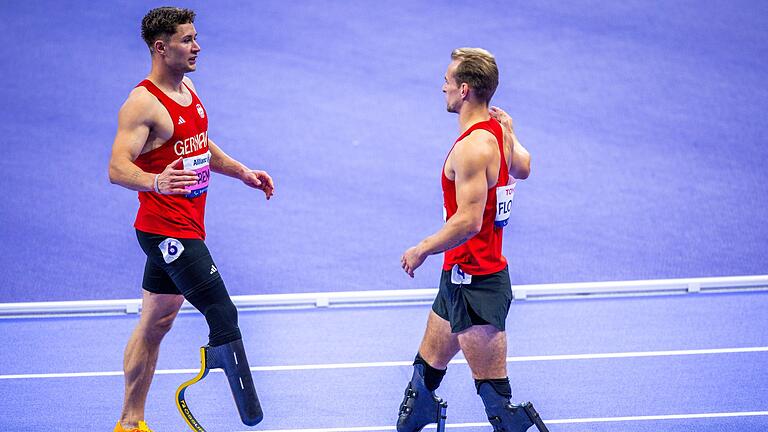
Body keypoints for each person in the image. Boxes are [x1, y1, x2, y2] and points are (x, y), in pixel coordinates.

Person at [108, 7, 274, 432]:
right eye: (186, 40)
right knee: (223, 312)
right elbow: (117, 168)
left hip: (186, 224)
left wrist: (240, 171)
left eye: (196, 37)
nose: (197, 46)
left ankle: (129, 422)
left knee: (156, 322)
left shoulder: (188, 89)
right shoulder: (142, 103)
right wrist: (155, 181)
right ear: (161, 48)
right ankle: (248, 411)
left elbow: (198, 143)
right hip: (167, 231)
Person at [398, 48, 547, 432]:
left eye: (448, 80)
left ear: (464, 90)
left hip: (477, 283)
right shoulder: (499, 133)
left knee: (500, 408)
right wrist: (512, 133)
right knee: (420, 388)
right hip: (458, 278)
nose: (442, 86)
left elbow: (468, 221)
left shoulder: (472, 148)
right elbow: (524, 168)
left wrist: (422, 248)